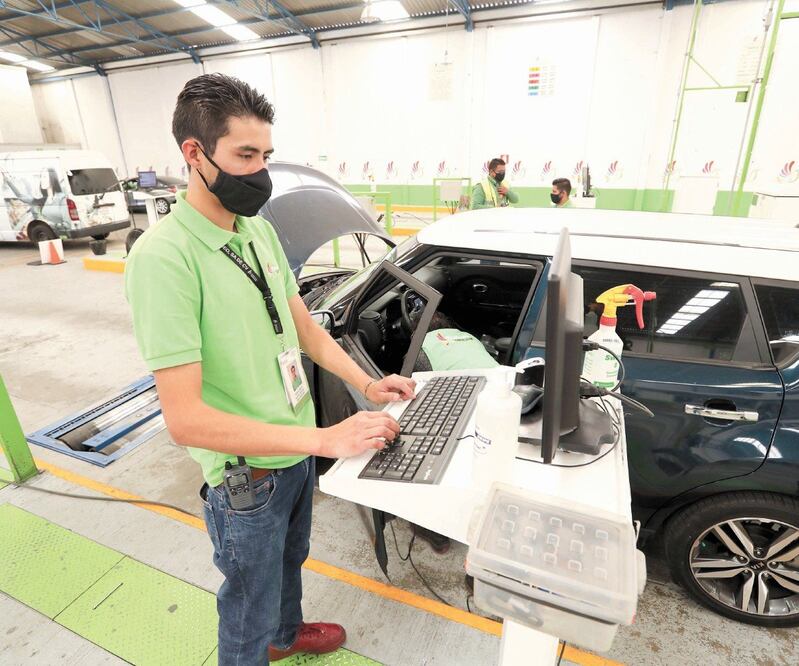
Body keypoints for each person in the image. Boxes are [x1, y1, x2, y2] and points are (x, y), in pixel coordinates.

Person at [125, 73, 416, 666]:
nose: (259, 171)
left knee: (290, 562)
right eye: (245, 155)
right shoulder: (164, 260)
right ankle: (261, 643)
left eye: (266, 155)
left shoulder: (256, 229)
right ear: (194, 154)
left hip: (295, 455)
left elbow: (303, 326)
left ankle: (285, 636)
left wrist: (365, 383)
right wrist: (324, 438)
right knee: (247, 607)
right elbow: (185, 421)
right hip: (247, 479)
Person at [410, 312, 499, 554]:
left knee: (420, 454)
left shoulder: (422, 348)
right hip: (502, 398)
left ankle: (434, 533)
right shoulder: (467, 337)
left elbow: (415, 393)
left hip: (468, 409)